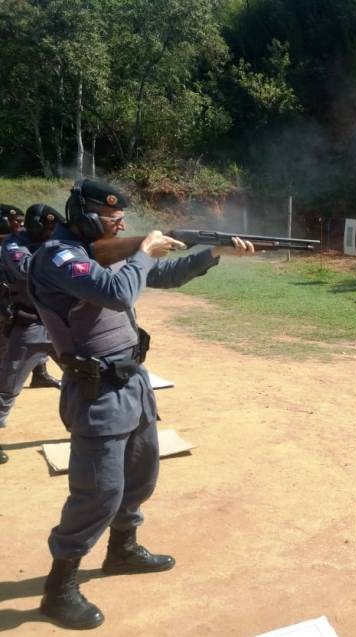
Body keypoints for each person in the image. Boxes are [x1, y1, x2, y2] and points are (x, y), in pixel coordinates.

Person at [28, 179, 254, 629]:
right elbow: (118, 293)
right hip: (96, 388)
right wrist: (145, 250)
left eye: (122, 219)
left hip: (132, 380)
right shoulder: (58, 257)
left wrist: (213, 253)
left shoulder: (101, 253)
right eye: (112, 217)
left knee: (141, 472)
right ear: (86, 213)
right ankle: (60, 587)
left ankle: (123, 550)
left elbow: (162, 276)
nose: (121, 223)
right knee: (99, 491)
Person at [0, 204, 66, 442]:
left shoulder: (56, 242)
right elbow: (25, 269)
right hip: (31, 325)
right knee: (7, 387)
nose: (51, 232)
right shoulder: (13, 244)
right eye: (47, 228)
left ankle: (85, 428)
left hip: (61, 325)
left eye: (54, 228)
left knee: (84, 378)